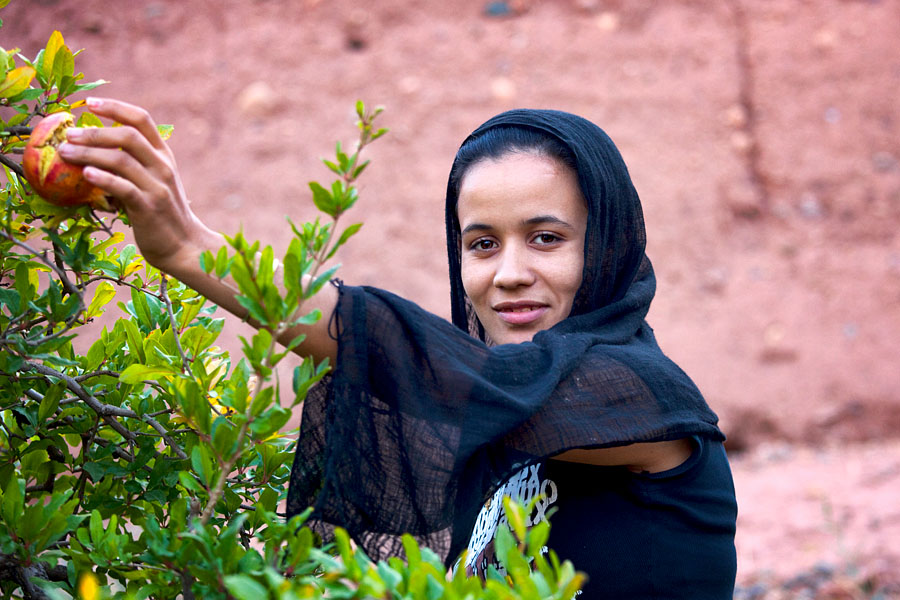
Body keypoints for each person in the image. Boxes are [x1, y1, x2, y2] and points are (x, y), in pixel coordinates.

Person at [60, 99, 738, 598]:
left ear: (609, 243)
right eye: (481, 244)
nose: (507, 274)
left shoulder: (644, 393)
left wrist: (186, 247)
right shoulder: (490, 441)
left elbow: (422, 366)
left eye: (546, 238)